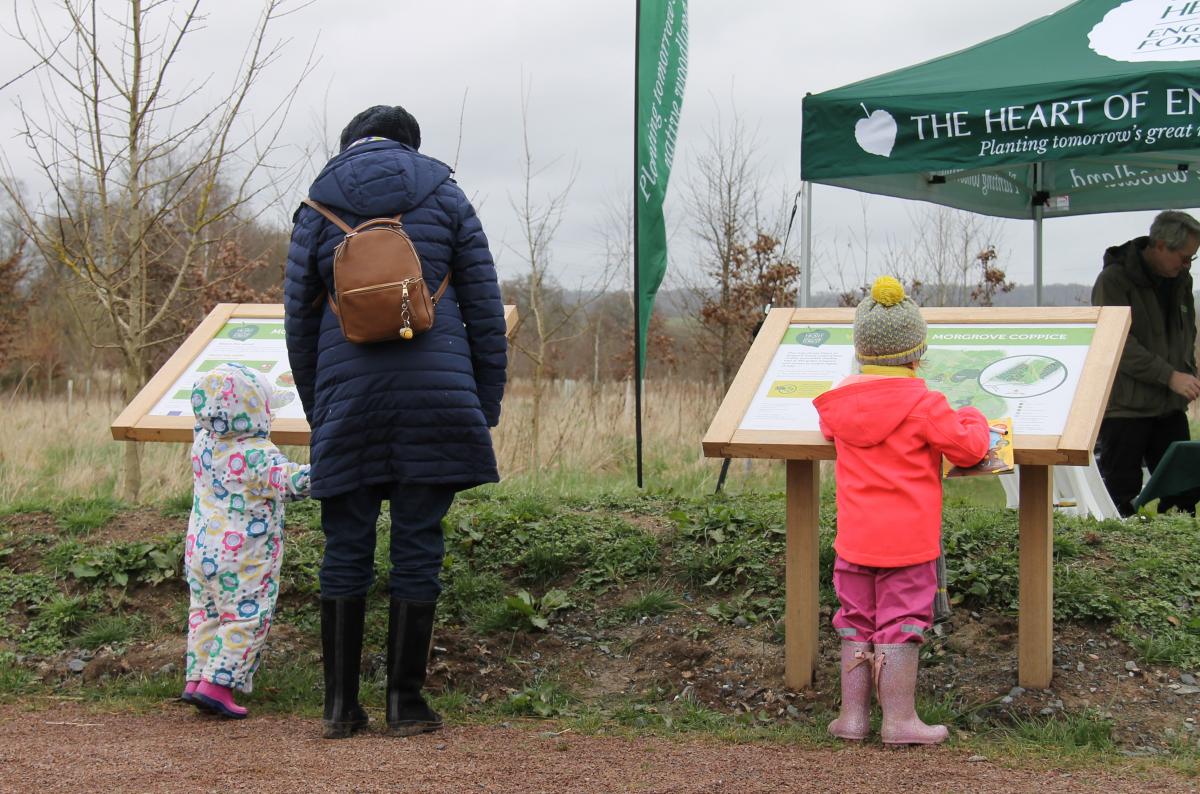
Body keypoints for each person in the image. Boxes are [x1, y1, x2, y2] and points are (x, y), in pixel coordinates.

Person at [284, 105, 507, 739]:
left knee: (345, 543)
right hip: (437, 399)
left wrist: (319, 411)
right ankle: (405, 703)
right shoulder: (448, 198)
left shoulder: (313, 208)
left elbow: (299, 324)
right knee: (418, 541)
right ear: (411, 145)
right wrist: (480, 405)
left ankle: (338, 707)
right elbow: (485, 312)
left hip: (347, 402)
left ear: (349, 145)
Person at [813, 276, 988, 745]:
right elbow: (969, 448)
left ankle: (852, 719)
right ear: (916, 353)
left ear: (862, 352)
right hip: (908, 547)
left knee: (855, 621)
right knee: (901, 625)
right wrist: (973, 416)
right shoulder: (925, 405)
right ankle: (899, 721)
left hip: (853, 543)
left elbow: (836, 431)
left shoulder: (837, 406)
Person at [182, 362, 311, 719]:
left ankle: (196, 679)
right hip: (243, 554)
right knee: (245, 616)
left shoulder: (203, 442)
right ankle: (218, 685)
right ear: (253, 409)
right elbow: (288, 483)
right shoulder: (256, 452)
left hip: (200, 547)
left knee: (205, 613)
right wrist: (327, 471)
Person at [1092, 210, 1200, 517]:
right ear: (1161, 245)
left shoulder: (1181, 281)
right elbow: (1117, 343)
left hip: (1169, 407)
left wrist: (1188, 373)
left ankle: (1175, 559)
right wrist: (1169, 376)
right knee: (1120, 494)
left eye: (1192, 259)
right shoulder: (1114, 281)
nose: (1187, 265)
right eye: (1184, 257)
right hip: (1126, 409)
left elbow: (1185, 332)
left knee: (1184, 494)